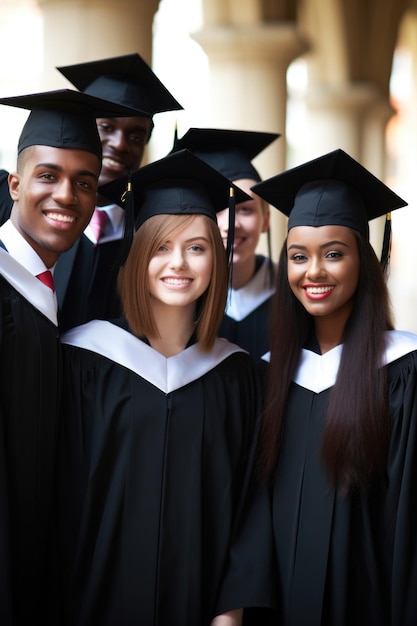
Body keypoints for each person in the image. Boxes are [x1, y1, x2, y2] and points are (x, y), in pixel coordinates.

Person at [57, 149, 263, 626]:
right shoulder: (84, 362)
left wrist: (230, 612)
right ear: (137, 254)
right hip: (91, 603)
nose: (179, 263)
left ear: (216, 257)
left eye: (197, 247)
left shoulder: (238, 378)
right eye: (161, 247)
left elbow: (253, 505)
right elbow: (57, 499)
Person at [215, 148, 417, 625]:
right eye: (298, 256)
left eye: (334, 254)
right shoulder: (267, 378)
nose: (315, 272)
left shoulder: (402, 373)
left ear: (364, 261)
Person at [0, 88, 140, 625]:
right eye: (48, 176)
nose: (67, 195)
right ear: (14, 184)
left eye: (85, 182)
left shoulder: (44, 297)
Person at [54, 52, 183, 331]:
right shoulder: (39, 219)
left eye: (135, 136)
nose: (120, 144)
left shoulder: (149, 235)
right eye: (106, 127)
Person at [172, 128, 280, 359]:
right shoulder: (175, 298)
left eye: (245, 209)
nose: (231, 224)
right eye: (216, 208)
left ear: (266, 220)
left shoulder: (291, 292)